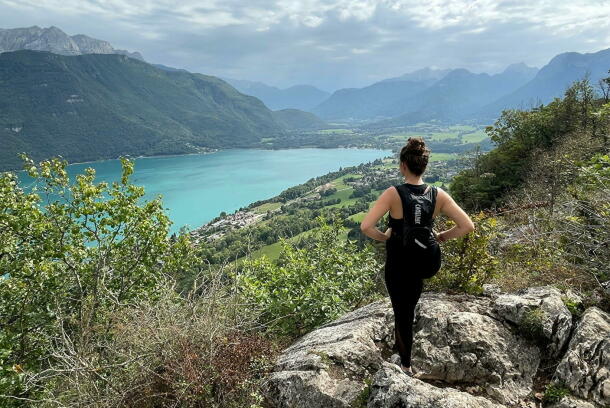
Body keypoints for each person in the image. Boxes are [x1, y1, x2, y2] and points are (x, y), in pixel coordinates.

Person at [360, 137, 474, 377]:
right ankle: (402, 351)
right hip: (423, 261)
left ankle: (405, 365)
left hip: (398, 263)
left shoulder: (393, 193)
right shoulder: (438, 194)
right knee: (409, 306)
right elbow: (467, 226)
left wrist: (386, 236)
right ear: (425, 166)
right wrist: (441, 236)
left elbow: (366, 227)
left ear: (403, 165)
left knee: (401, 312)